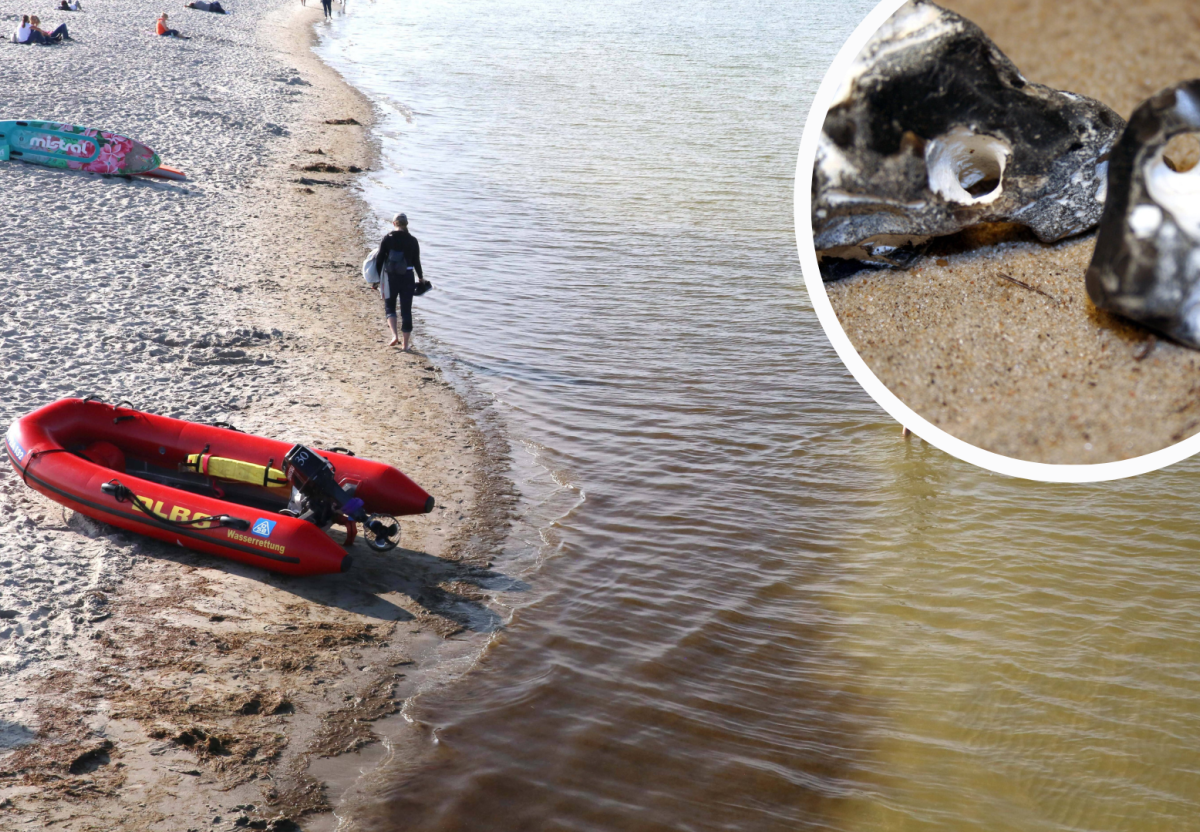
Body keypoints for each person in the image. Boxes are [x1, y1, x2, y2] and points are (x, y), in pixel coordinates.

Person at [373, 213, 425, 350]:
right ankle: (406, 345)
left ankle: (394, 336)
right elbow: (416, 262)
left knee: (390, 306)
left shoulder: (387, 238)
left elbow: (379, 260)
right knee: (406, 310)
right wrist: (420, 277)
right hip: (407, 277)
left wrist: (378, 279)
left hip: (391, 277)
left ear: (394, 223)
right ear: (406, 224)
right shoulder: (413, 240)